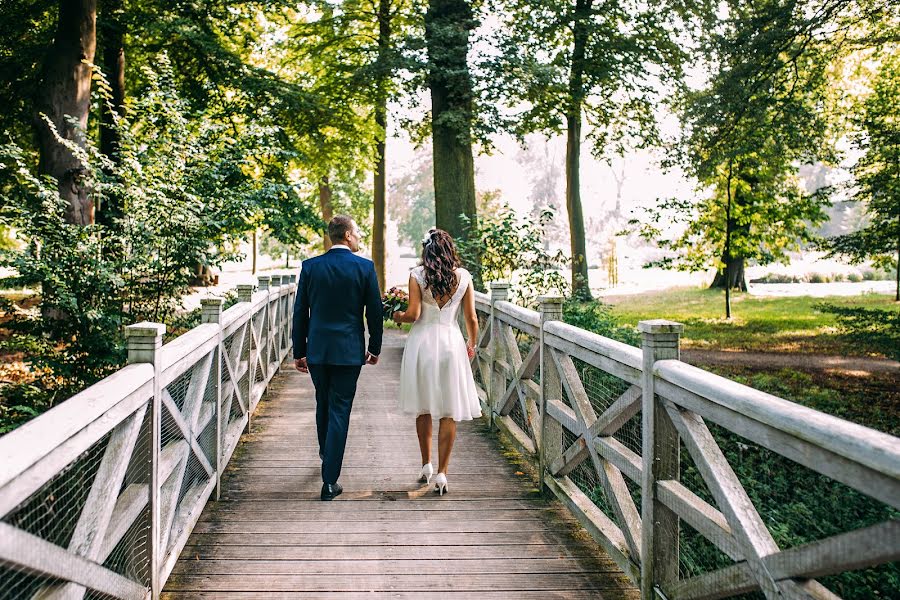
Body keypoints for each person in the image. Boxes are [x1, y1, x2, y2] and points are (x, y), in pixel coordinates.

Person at [292, 215, 383, 501]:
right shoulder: (364, 268)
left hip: (318, 350)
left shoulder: (311, 267)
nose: (358, 238)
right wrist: (375, 347)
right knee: (340, 408)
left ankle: (326, 452)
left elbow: (300, 312)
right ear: (346, 235)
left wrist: (299, 350)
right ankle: (330, 481)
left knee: (323, 401)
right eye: (356, 233)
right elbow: (375, 311)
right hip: (347, 351)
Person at [392, 228, 481, 496]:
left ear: (426, 250)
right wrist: (471, 344)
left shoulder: (417, 275)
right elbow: (472, 318)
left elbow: (413, 314)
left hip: (423, 344)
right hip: (451, 344)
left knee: (424, 407)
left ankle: (425, 464)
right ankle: (443, 472)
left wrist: (396, 315)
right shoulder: (463, 277)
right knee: (449, 409)